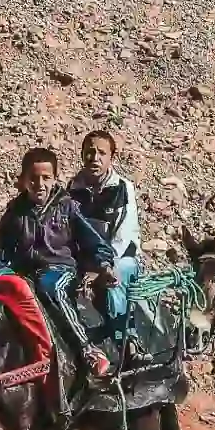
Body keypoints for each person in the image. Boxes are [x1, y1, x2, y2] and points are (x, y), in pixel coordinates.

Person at [0, 146, 117, 379]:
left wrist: (104, 265)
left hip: (59, 269)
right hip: (23, 272)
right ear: (23, 180)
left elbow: (95, 242)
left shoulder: (68, 207)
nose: (39, 184)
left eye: (46, 178)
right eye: (33, 178)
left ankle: (88, 349)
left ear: (55, 179)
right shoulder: (15, 211)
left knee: (51, 287)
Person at [67, 129, 145, 362]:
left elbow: (124, 236)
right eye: (90, 152)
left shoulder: (123, 188)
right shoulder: (73, 189)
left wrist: (102, 267)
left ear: (112, 156)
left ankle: (128, 340)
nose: (95, 157)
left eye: (101, 152)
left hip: (120, 257)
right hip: (88, 260)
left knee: (115, 279)